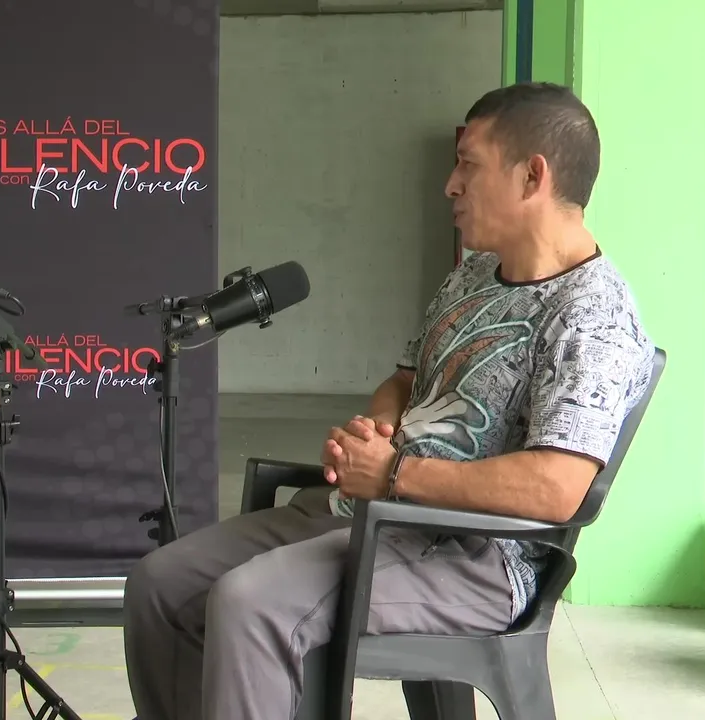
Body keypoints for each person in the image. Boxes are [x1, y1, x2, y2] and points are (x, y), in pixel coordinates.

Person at [121, 82, 658, 720]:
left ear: (532, 176)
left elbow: (557, 488)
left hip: (477, 555)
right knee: (160, 584)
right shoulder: (474, 273)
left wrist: (395, 473)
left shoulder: (592, 316)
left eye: (469, 164)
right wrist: (376, 430)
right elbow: (406, 382)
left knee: (250, 604)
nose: (451, 185)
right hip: (375, 514)